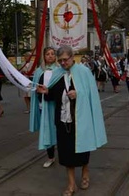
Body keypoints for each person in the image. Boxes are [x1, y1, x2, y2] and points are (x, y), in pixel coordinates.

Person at [35, 46, 107, 196]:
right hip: (62, 120)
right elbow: (52, 97)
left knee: (82, 149)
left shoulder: (83, 72)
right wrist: (46, 92)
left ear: (72, 57)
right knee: (66, 153)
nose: (62, 63)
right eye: (60, 60)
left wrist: (78, 93)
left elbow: (90, 94)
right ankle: (71, 184)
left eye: (65, 60)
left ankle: (85, 172)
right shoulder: (57, 74)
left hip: (80, 120)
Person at [30, 47, 58, 168]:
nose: (50, 56)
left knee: (59, 130)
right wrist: (36, 90)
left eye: (52, 54)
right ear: (44, 56)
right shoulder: (38, 71)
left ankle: (65, 154)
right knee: (47, 130)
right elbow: (34, 88)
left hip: (57, 106)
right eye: (48, 54)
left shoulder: (60, 70)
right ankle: (51, 156)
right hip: (43, 105)